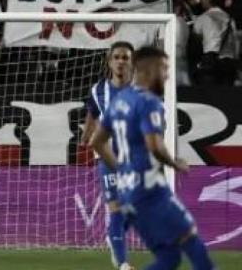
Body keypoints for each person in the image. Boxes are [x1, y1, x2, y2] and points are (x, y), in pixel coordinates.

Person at [90, 47, 216, 270]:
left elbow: (96, 141)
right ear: (149, 70)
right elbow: (154, 146)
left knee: (169, 259)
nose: (167, 74)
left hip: (130, 191)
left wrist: (121, 168)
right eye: (164, 68)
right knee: (191, 239)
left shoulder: (118, 102)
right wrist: (174, 162)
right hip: (150, 191)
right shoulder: (149, 102)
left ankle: (121, 262)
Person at [80, 42, 135, 270]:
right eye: (117, 57)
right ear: (109, 61)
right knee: (115, 208)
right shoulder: (98, 90)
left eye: (125, 57)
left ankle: (114, 235)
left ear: (131, 62)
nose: (121, 61)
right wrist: (85, 136)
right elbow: (92, 114)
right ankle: (122, 264)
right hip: (108, 156)